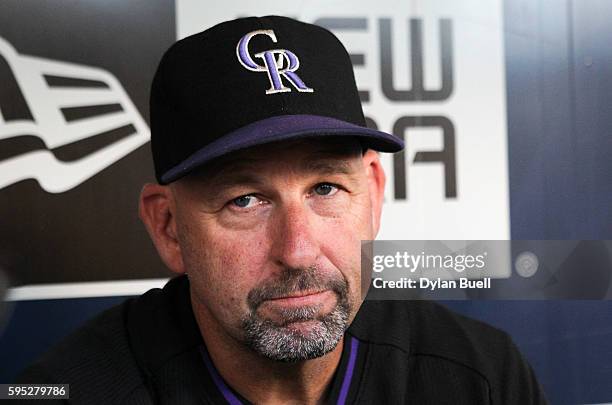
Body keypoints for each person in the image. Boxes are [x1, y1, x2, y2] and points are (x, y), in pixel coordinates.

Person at [17, 16, 547, 404]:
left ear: (374, 194)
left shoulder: (479, 374)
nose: (297, 251)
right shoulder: (72, 390)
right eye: (244, 200)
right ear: (169, 227)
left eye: (325, 189)